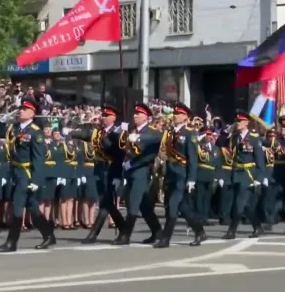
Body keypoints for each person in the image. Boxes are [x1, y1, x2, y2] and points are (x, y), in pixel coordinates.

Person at [0, 97, 56, 252]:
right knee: (33, 207)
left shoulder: (36, 133)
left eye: (24, 109)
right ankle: (49, 235)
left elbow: (39, 158)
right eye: (20, 109)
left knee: (17, 206)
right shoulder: (15, 128)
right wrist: (2, 120)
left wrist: (36, 180)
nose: (21, 111)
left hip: (26, 173)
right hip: (15, 172)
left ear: (32, 113)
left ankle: (11, 242)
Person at [65, 104, 127, 245]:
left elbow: (116, 151)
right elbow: (87, 135)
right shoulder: (97, 132)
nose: (103, 118)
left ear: (113, 117)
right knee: (106, 203)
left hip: (112, 169)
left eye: (106, 116)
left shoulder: (119, 133)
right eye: (102, 115)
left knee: (106, 203)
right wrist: (71, 132)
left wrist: (118, 175)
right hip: (99, 169)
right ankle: (124, 228)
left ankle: (94, 234)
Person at [154, 102, 206, 248]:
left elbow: (193, 158)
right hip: (171, 172)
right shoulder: (170, 132)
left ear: (185, 117)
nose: (175, 116)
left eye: (179, 114)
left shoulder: (190, 133)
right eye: (175, 113)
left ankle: (165, 239)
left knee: (172, 206)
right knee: (182, 208)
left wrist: (191, 179)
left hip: (182, 173)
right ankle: (200, 231)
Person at [116, 103, 162, 245]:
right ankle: (157, 232)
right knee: (144, 205)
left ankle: (125, 235)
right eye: (135, 114)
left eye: (139, 114)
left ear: (146, 117)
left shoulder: (152, 131)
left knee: (133, 203)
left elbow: (155, 142)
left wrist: (138, 139)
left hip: (142, 170)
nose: (135, 116)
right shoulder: (131, 129)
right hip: (129, 170)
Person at [221, 110, 266, 239]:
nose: (238, 123)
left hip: (248, 174)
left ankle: (232, 231)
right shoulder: (234, 137)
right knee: (246, 206)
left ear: (247, 122)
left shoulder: (253, 138)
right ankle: (257, 227)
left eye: (240, 121)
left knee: (238, 204)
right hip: (236, 173)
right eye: (237, 121)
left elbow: (259, 160)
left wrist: (259, 177)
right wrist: (226, 131)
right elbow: (220, 143)